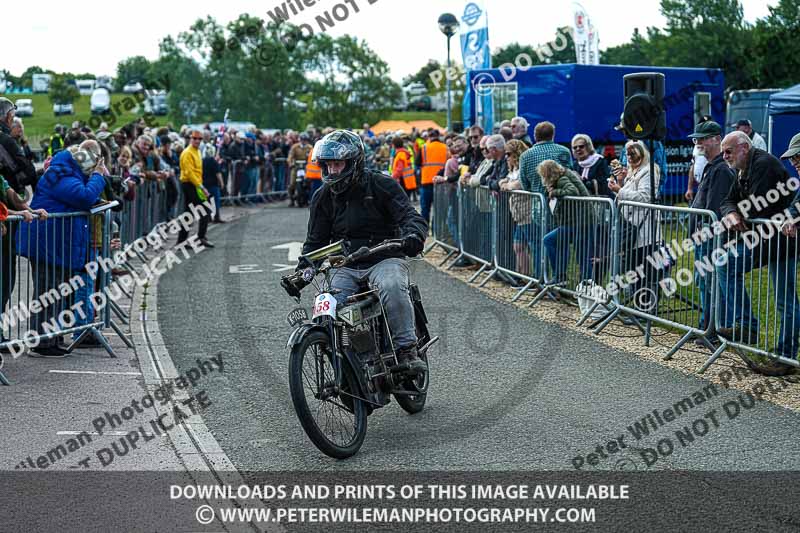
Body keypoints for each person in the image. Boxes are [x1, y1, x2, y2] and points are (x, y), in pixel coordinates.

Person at [288, 130, 428, 374]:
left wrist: (413, 235)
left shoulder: (381, 184)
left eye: (338, 164)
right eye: (328, 165)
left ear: (354, 162)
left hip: (383, 257)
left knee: (392, 285)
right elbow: (315, 241)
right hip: (346, 265)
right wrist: (303, 270)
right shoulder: (322, 197)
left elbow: (409, 215)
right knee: (327, 306)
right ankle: (349, 364)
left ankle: (407, 350)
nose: (332, 171)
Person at [715, 131, 798, 360]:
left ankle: (785, 356)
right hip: (764, 240)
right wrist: (731, 213)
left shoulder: (764, 164)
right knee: (724, 263)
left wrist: (737, 212)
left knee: (785, 301)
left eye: (728, 151)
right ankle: (747, 325)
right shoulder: (742, 168)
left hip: (780, 243)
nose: (725, 157)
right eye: (723, 152)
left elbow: (756, 207)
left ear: (744, 147)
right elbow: (727, 201)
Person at [16, 145, 104, 356]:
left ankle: (52, 338)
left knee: (57, 292)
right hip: (48, 243)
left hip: (57, 244)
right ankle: (41, 343)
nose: (91, 169)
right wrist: (98, 177)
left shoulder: (67, 172)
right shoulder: (61, 174)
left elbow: (84, 196)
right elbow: (83, 197)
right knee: (47, 293)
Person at [687, 121, 735, 342]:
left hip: (712, 236)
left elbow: (715, 208)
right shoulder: (712, 167)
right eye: (697, 140)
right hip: (704, 235)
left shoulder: (722, 169)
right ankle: (706, 326)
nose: (698, 144)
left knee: (711, 281)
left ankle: (714, 329)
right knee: (704, 281)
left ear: (717, 138)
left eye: (703, 139)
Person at [539, 160, 592, 282]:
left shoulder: (562, 179)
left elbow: (573, 191)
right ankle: (563, 277)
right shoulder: (563, 176)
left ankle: (562, 277)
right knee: (578, 253)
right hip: (579, 220)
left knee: (549, 240)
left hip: (581, 221)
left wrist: (554, 192)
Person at [498, 140, 533, 276]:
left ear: (516, 153)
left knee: (531, 245)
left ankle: (531, 277)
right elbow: (504, 180)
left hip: (527, 211)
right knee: (518, 246)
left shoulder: (525, 165)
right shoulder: (512, 168)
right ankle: (523, 276)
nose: (506, 157)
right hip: (518, 213)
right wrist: (505, 183)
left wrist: (509, 185)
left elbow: (521, 183)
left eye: (508, 154)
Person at [177, 130, 213, 248]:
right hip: (190, 184)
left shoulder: (197, 151)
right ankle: (201, 237)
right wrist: (201, 187)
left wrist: (200, 185)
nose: (197, 141)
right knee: (205, 208)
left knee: (189, 212)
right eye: (195, 138)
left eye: (199, 139)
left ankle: (181, 241)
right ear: (190, 138)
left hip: (195, 184)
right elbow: (189, 173)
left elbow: (197, 172)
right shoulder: (187, 153)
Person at [519, 121, 572, 197]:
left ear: (535, 136)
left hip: (537, 203)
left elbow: (524, 183)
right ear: (552, 135)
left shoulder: (525, 156)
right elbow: (570, 174)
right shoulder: (564, 151)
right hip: (561, 201)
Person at [0, 98, 37, 196]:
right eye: (12, 116)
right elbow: (29, 172)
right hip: (10, 195)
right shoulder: (5, 140)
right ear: (8, 116)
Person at [419, 129, 447, 223]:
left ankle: (425, 229)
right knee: (438, 209)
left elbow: (417, 163)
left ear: (429, 137)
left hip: (426, 181)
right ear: (438, 136)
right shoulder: (445, 147)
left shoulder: (424, 147)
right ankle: (436, 230)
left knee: (425, 208)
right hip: (441, 182)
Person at [287, 132, 313, 207]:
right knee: (292, 183)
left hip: (306, 167)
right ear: (300, 139)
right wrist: (290, 163)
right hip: (296, 166)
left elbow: (313, 157)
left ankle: (307, 199)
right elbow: (290, 156)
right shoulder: (295, 147)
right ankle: (291, 199)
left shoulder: (310, 147)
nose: (303, 141)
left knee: (308, 183)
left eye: (305, 139)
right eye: (302, 139)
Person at [203, 145, 225, 223]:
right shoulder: (213, 161)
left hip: (204, 185)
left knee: (207, 201)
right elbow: (218, 173)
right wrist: (222, 183)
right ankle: (216, 217)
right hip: (213, 185)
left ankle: (208, 217)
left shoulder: (202, 160)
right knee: (215, 202)